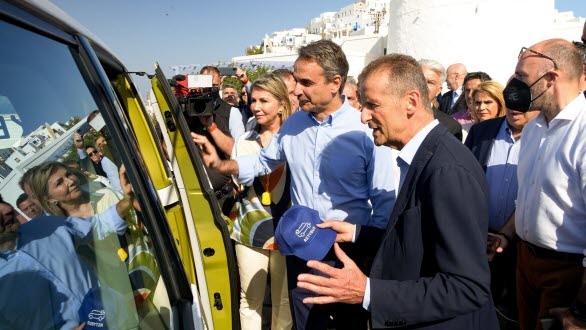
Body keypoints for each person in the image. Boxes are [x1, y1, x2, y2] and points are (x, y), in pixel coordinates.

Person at [193, 39, 394, 329]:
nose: (297, 90)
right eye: (296, 80)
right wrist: (223, 165)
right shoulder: (294, 124)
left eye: (306, 82)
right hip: (301, 248)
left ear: (335, 83)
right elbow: (263, 161)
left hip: (346, 254)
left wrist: (369, 254)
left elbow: (384, 201)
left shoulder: (365, 129)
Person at [296, 53, 498, 329]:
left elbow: (466, 288)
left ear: (411, 101)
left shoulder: (446, 169)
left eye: (372, 105)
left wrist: (367, 293)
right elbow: (417, 242)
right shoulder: (421, 155)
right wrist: (357, 234)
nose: (363, 116)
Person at [500, 39, 586, 330]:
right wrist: (507, 235)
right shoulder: (534, 127)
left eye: (521, 78)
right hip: (524, 262)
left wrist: (581, 309)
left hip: (567, 274)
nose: (514, 86)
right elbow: (530, 196)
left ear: (551, 78)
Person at [228, 73, 293, 330]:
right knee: (250, 299)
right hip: (250, 229)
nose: (256, 106)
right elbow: (237, 181)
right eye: (253, 100)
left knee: (284, 300)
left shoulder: (296, 139)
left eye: (264, 100)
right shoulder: (243, 140)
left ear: (281, 103)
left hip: (288, 230)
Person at [464, 106, 539, 329]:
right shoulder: (481, 132)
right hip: (479, 243)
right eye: (511, 97)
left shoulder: (545, 136)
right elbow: (463, 181)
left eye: (523, 98)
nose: (515, 105)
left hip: (523, 249)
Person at [419, 59, 463, 141]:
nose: (423, 86)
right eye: (419, 80)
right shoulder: (393, 116)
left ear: (438, 90)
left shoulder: (450, 127)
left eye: (430, 82)